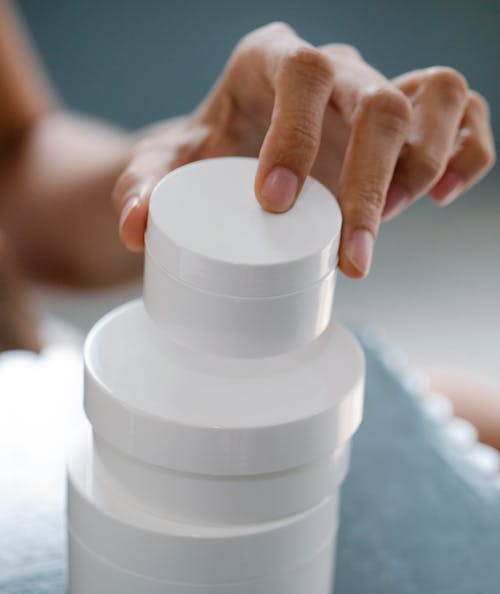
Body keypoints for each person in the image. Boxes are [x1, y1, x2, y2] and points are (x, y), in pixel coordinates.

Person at [0, 1, 497, 446]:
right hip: (42, 435)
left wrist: (214, 168)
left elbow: (14, 156)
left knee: (482, 424)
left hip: (36, 376)